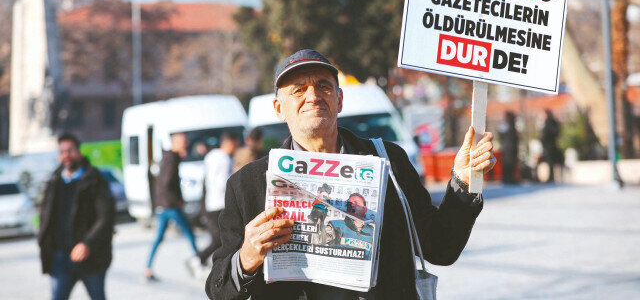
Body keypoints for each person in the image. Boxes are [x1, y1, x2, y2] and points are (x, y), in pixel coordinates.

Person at [206, 49, 496, 299]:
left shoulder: (388, 161)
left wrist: (463, 181)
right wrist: (246, 258)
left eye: (323, 86)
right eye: (298, 89)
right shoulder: (247, 184)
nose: (313, 96)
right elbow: (218, 289)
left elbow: (441, 248)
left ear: (340, 100)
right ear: (279, 108)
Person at [38, 133, 115, 300]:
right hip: (60, 258)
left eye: (70, 150)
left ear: (79, 152)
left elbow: (106, 216)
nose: (66, 155)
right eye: (62, 151)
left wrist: (88, 244)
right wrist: (44, 243)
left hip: (91, 257)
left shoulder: (94, 179)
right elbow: (46, 215)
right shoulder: (54, 181)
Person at [144, 132, 200, 281]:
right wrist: (177, 200)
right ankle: (200, 260)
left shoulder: (168, 157)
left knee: (158, 238)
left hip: (162, 205)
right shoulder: (171, 158)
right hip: (170, 205)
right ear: (174, 142)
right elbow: (167, 182)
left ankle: (148, 268)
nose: (185, 142)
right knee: (189, 233)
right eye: (182, 140)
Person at [198, 132, 240, 267]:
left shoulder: (211, 156)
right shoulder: (225, 159)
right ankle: (202, 259)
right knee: (222, 238)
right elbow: (223, 183)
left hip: (210, 201)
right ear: (230, 143)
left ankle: (207, 260)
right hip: (221, 202)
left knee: (220, 237)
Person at [540, 109, 563, 182]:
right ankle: (551, 177)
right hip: (549, 145)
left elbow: (551, 133)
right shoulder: (550, 122)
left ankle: (551, 177)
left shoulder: (549, 122)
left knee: (551, 161)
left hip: (550, 145)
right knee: (549, 161)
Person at [498, 111, 519, 183]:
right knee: (507, 163)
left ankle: (510, 178)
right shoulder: (505, 125)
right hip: (507, 148)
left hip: (510, 147)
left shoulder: (511, 124)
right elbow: (501, 136)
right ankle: (507, 178)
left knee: (511, 163)